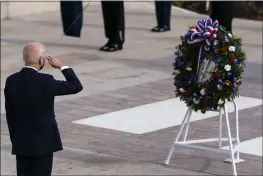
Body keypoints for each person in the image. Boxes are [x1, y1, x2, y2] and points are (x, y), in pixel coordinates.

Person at [4, 42, 83, 176]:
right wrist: (62, 66)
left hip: (21, 142)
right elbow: (75, 86)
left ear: (24, 58)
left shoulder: (11, 80)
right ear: (41, 60)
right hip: (43, 144)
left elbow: (9, 112)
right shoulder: (46, 80)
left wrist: (15, 138)